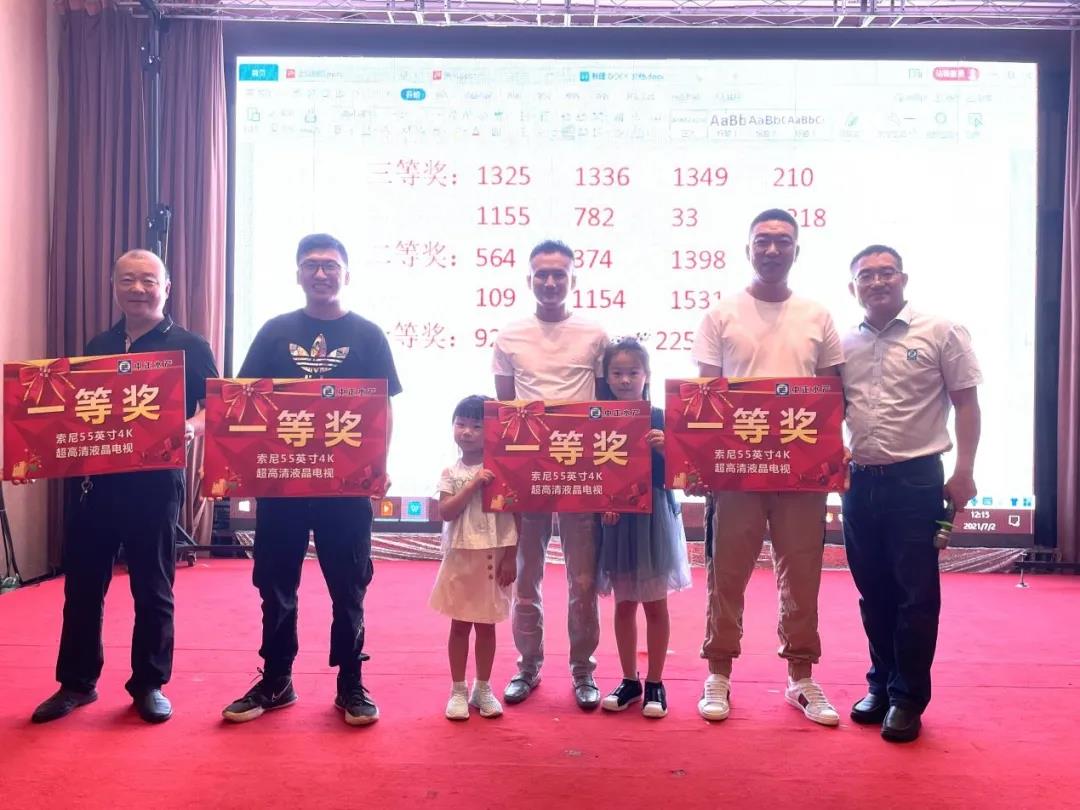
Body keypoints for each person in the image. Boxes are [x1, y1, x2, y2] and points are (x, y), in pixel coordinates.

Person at [221, 233, 402, 727]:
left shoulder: (368, 335)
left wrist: (379, 465)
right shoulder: (274, 332)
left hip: (345, 490)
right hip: (283, 486)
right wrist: (238, 466)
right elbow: (244, 402)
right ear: (298, 273)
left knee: (349, 586)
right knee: (275, 583)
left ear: (347, 274)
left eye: (330, 265)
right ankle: (277, 679)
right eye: (311, 265)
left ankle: (350, 682)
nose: (321, 273)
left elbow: (382, 409)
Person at [31, 249, 219, 724]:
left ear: (166, 288)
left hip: (154, 486)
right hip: (94, 485)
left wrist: (191, 427)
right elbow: (76, 413)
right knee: (82, 586)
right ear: (113, 287)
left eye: (148, 280)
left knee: (153, 586)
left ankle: (149, 683)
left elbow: (216, 408)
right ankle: (76, 683)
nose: (138, 289)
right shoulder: (99, 345)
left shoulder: (190, 345)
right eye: (127, 280)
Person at [691, 209, 844, 726]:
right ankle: (718, 672)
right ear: (748, 249)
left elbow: (832, 395)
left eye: (783, 241)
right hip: (738, 469)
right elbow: (706, 394)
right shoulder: (721, 314)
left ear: (797, 251)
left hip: (803, 471)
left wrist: (833, 454)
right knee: (726, 573)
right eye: (763, 241)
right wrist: (701, 462)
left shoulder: (817, 315)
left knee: (801, 574)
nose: (772, 249)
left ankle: (800, 676)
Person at [840, 244, 981, 743]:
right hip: (858, 481)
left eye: (886, 273)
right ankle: (880, 685)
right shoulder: (843, 343)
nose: (877, 282)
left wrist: (964, 471)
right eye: (866, 275)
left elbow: (967, 404)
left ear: (903, 279)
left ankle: (907, 698)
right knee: (872, 590)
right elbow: (825, 411)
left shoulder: (941, 331)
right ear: (853, 287)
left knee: (915, 595)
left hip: (916, 480)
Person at [492, 238, 609, 710]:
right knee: (526, 578)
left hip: (581, 473)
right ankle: (528, 666)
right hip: (527, 475)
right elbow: (504, 412)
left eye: (559, 273)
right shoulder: (510, 336)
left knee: (582, 580)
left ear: (573, 280)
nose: (550, 281)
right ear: (529, 280)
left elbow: (608, 408)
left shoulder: (595, 335)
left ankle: (583, 670)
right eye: (542, 273)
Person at [595, 338, 691, 719]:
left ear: (646, 375)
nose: (625, 379)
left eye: (632, 372)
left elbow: (684, 473)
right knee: (623, 604)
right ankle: (629, 679)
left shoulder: (659, 418)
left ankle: (655, 681)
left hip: (654, 520)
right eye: (617, 373)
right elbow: (590, 472)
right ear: (606, 377)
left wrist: (666, 447)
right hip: (617, 522)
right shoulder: (598, 419)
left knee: (655, 604)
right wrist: (603, 504)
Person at [430, 395, 518, 721]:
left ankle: (483, 688)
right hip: (460, 557)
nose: (466, 432)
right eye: (461, 424)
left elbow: (515, 515)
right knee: (459, 624)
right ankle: (458, 690)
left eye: (476, 426)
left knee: (486, 625)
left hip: (494, 555)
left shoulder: (503, 470)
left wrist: (511, 556)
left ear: (491, 431)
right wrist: (472, 486)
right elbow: (446, 511)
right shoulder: (450, 472)